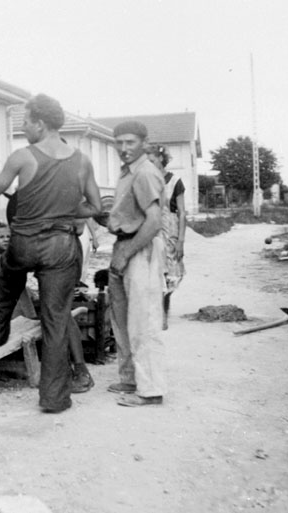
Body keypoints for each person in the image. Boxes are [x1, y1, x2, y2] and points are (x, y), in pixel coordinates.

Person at [0, 94, 101, 412]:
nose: (24, 128)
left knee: (5, 288)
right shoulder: (82, 161)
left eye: (26, 122)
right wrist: (67, 210)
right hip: (61, 247)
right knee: (55, 320)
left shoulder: (22, 157)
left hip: (23, 243)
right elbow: (95, 206)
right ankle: (54, 399)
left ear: (40, 123)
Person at [0, 221, 94, 393]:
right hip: (12, 305)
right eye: (1, 237)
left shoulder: (30, 246)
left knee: (59, 318)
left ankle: (76, 370)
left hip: (33, 289)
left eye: (8, 237)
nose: (6, 240)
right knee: (54, 319)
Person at [107, 120, 167, 407]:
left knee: (143, 321)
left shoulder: (145, 172)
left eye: (130, 142)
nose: (123, 148)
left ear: (144, 142)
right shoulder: (126, 173)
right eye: (119, 142)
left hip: (138, 250)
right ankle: (130, 379)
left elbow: (154, 222)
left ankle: (151, 390)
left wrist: (126, 252)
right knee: (121, 320)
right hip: (124, 246)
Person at [146, 144, 186, 330]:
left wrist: (180, 241)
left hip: (170, 231)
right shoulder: (146, 180)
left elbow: (182, 214)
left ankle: (164, 313)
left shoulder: (175, 181)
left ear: (161, 159)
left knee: (170, 275)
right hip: (151, 230)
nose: (150, 164)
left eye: (152, 160)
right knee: (152, 272)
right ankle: (153, 314)